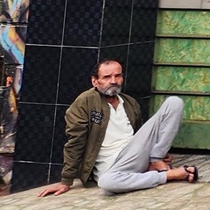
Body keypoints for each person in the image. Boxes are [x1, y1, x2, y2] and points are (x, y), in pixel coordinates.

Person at [37, 59, 196, 196]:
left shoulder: (130, 102)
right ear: (95, 81)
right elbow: (75, 141)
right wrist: (66, 180)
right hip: (113, 166)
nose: (113, 80)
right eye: (107, 77)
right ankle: (168, 175)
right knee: (107, 183)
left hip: (134, 152)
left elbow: (141, 134)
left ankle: (155, 160)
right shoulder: (85, 102)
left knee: (174, 102)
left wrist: (158, 150)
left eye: (118, 75)